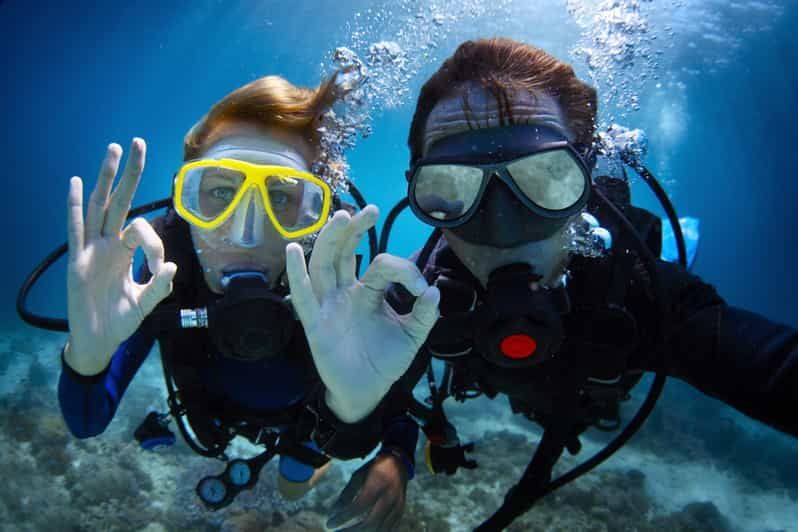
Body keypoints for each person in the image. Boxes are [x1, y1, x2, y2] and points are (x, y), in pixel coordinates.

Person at [385, 37, 798, 530]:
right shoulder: (416, 296)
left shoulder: (640, 293)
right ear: (420, 193)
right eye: (449, 188)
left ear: (585, 179)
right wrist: (392, 451)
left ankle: (678, 237)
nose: (502, 227)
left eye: (545, 178)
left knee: (661, 254)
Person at [58, 72, 439, 529]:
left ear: (315, 218)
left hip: (306, 427)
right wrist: (87, 356)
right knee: (290, 483)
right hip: (214, 420)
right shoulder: (163, 273)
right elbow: (87, 421)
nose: (246, 232)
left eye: (281, 196)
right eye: (219, 192)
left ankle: (299, 471)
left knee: (292, 483)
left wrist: (392, 452)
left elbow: (391, 392)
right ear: (185, 204)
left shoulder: (333, 278)